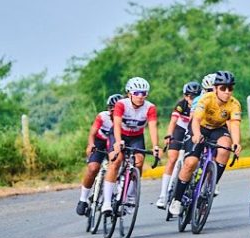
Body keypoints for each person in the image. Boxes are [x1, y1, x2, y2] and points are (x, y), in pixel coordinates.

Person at [168, 71, 242, 217]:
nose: (227, 92)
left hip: (217, 129)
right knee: (190, 162)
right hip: (199, 127)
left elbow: (234, 125)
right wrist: (196, 135)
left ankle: (211, 183)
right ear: (215, 89)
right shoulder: (206, 99)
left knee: (225, 147)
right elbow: (195, 120)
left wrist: (237, 143)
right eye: (223, 88)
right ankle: (176, 200)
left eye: (230, 88)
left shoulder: (234, 104)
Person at [101, 78, 160, 220]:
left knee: (139, 161)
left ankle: (131, 197)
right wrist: (117, 142)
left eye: (144, 93)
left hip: (136, 137)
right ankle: (107, 202)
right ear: (129, 94)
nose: (140, 96)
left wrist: (155, 146)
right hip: (119, 134)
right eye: (137, 93)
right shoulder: (121, 104)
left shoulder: (150, 107)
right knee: (116, 160)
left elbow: (152, 127)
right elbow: (116, 124)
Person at [75, 94, 123, 216]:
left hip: (113, 143)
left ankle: (114, 197)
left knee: (116, 167)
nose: (113, 111)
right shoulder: (102, 117)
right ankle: (83, 199)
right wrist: (91, 145)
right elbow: (92, 134)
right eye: (111, 108)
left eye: (116, 108)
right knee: (93, 168)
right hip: (99, 142)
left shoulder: (124, 119)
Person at [156, 81, 201, 209]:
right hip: (180, 130)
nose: (193, 99)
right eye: (191, 97)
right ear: (186, 96)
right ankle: (163, 195)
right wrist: (169, 135)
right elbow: (173, 121)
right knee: (172, 159)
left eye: (196, 96)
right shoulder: (181, 105)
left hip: (192, 131)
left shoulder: (200, 105)